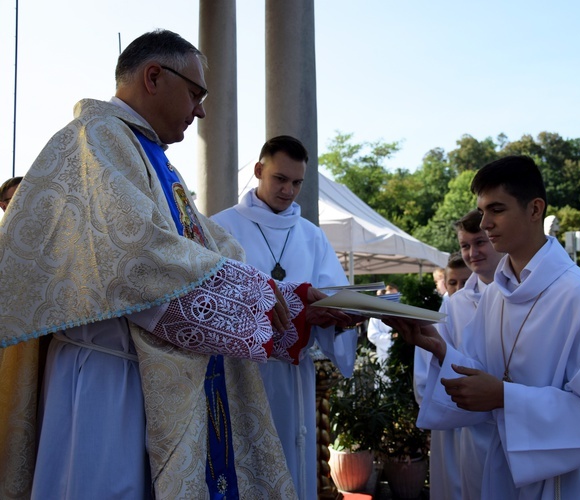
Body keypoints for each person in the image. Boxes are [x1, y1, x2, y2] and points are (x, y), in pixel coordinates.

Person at [0, 29, 351, 499]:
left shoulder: (146, 154)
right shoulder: (96, 140)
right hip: (105, 378)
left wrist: (294, 301)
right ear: (153, 77)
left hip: (142, 371)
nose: (201, 110)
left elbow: (204, 245)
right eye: (196, 92)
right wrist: (254, 296)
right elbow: (134, 259)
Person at [391, 155, 580, 499]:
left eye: (497, 209)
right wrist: (438, 348)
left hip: (571, 481)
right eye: (482, 211)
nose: (485, 223)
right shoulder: (496, 296)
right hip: (503, 469)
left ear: (535, 210)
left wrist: (505, 396)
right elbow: (485, 374)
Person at [210, 135, 358, 500]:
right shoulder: (219, 227)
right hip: (240, 375)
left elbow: (335, 295)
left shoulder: (312, 236)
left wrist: (341, 318)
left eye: (297, 182)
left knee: (295, 464)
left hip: (294, 377)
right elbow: (211, 301)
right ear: (259, 171)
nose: (289, 190)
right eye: (280, 179)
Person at [414, 209, 503, 499]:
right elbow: (433, 367)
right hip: (461, 422)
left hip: (512, 422)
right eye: (465, 245)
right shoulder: (455, 305)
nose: (472, 252)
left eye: (480, 242)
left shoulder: (521, 296)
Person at [367, 283, 399, 365]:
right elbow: (372, 335)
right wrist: (391, 337)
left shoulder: (402, 313)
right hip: (384, 356)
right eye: (390, 296)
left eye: (395, 296)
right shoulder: (376, 315)